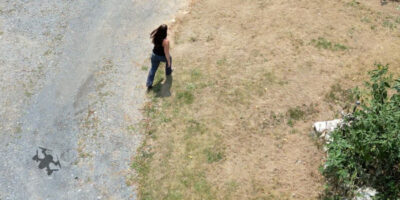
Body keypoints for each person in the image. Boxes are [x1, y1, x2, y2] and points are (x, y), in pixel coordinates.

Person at [146, 24, 173, 91]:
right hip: (161, 56)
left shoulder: (155, 35)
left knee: (153, 68)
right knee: (169, 58)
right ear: (165, 32)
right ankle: (168, 72)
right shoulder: (166, 42)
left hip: (154, 55)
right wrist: (169, 62)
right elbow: (166, 53)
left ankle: (149, 84)